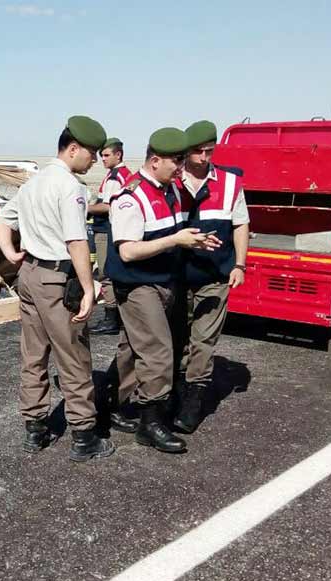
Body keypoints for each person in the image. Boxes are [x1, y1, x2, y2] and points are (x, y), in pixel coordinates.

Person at [0, 115, 115, 462]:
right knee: (74, 357)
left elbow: (1, 219)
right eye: (91, 153)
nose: (93, 159)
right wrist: (89, 289)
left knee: (34, 356)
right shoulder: (71, 188)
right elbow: (77, 240)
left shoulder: (33, 183)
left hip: (29, 275)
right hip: (57, 280)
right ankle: (84, 437)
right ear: (73, 148)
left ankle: (35, 429)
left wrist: (12, 254)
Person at [105, 127, 220, 453]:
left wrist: (195, 239)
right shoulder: (131, 197)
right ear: (155, 160)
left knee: (132, 350)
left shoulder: (169, 190)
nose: (182, 167)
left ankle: (108, 404)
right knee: (157, 351)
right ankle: (150, 424)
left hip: (163, 281)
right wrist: (176, 240)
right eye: (176, 161)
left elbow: (172, 230)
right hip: (138, 284)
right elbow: (128, 251)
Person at [171, 120, 250, 434]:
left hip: (214, 275)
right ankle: (172, 391)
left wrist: (240, 265)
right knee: (175, 338)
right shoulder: (172, 181)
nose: (204, 157)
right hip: (175, 277)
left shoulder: (230, 183)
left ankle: (194, 400)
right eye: (197, 152)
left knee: (203, 340)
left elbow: (241, 225)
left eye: (209, 151)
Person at [89, 137, 131, 336]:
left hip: (106, 230)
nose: (102, 159)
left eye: (106, 155)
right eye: (101, 155)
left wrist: (84, 208)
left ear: (118, 154)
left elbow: (107, 206)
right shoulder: (123, 174)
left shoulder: (115, 177)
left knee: (106, 274)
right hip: (113, 229)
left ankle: (111, 318)